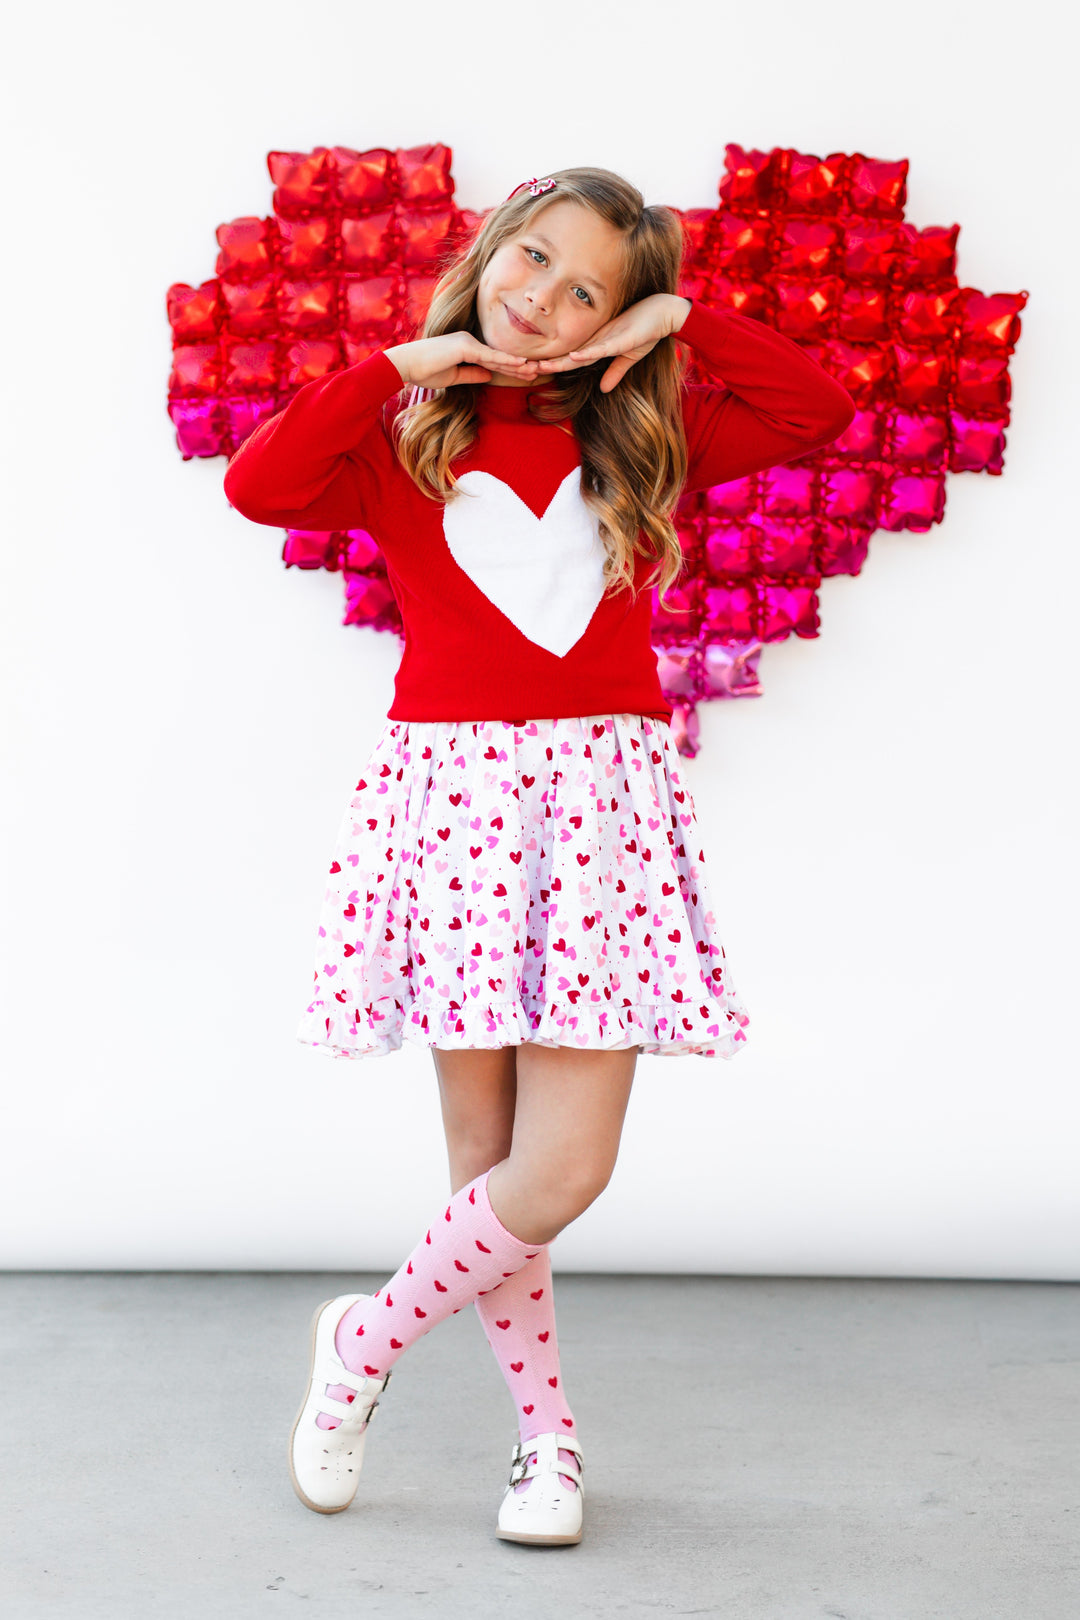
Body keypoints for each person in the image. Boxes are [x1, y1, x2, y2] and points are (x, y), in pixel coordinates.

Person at [223, 166, 855, 1546]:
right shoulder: (407, 424)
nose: (546, 301)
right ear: (490, 249)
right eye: (535, 261)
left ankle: (364, 1342)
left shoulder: (651, 423)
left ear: (621, 320)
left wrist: (677, 324)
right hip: (455, 804)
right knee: (489, 1163)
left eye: (590, 291)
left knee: (560, 1169)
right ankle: (548, 1449)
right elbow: (259, 486)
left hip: (599, 811)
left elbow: (820, 409)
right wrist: (400, 359)